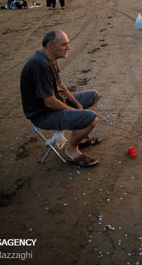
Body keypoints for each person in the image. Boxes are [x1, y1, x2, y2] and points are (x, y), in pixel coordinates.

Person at [20, 30, 102, 167]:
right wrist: (75, 112)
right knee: (91, 118)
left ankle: (79, 139)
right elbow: (50, 102)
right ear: (50, 46)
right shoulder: (40, 65)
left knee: (93, 96)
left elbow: (60, 85)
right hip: (43, 114)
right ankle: (71, 150)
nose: (68, 48)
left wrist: (77, 105)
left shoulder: (49, 58)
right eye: (64, 45)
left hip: (56, 103)